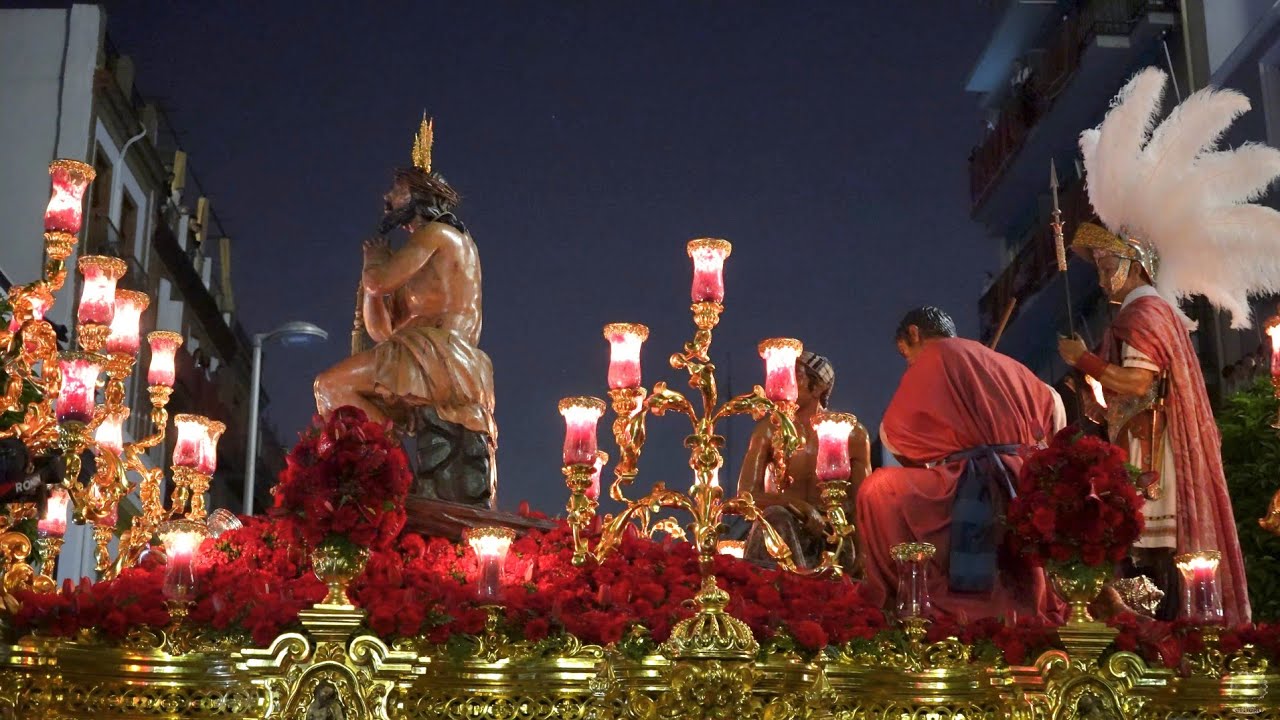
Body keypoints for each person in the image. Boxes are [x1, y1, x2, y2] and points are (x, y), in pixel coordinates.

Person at [1051, 65, 1280, 625]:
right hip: (1143, 443)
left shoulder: (1146, 312)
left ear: (1137, 265)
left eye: (1110, 260)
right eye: (1101, 261)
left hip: (1155, 454)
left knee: (1153, 568)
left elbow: (1137, 381)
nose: (1102, 268)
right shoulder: (1145, 311)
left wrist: (1084, 361)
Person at [313, 117, 497, 505]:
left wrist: (374, 268)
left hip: (442, 353)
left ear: (418, 197)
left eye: (396, 192)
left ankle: (389, 463)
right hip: (416, 352)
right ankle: (390, 462)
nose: (387, 198)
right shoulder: (414, 257)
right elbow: (383, 333)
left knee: (330, 386)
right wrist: (371, 291)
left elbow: (381, 281)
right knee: (335, 388)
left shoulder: (440, 234)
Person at [857, 307, 1067, 622]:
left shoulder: (935, 356)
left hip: (972, 483)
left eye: (906, 355)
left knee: (878, 488)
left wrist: (940, 459)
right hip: (1024, 484)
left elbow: (893, 437)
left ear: (915, 334)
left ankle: (916, 602)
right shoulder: (1008, 365)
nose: (910, 363)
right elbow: (1055, 416)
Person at [735, 352, 871, 570]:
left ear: (818, 387)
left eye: (794, 377)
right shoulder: (769, 431)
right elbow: (745, 497)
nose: (785, 384)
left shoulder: (850, 434)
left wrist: (864, 557)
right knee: (776, 516)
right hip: (782, 534)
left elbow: (862, 505)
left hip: (831, 538)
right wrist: (795, 505)